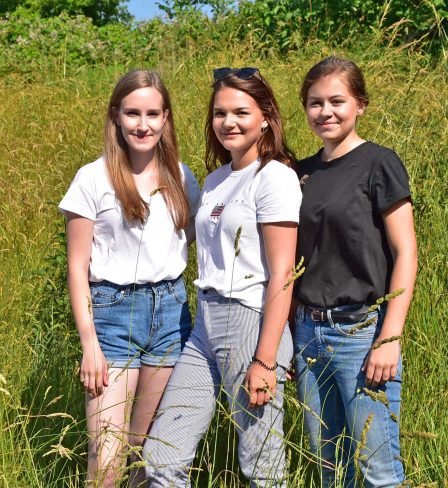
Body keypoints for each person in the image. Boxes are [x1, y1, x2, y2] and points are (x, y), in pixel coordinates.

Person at [143, 67, 302, 487]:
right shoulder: (215, 180)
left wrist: (266, 359)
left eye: (240, 112)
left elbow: (283, 274)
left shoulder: (275, 178)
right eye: (219, 113)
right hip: (205, 323)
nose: (228, 122)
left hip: (250, 320)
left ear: (266, 116)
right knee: (161, 455)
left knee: (260, 463)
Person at [58, 70, 200, 487]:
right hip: (112, 316)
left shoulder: (181, 176)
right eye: (133, 113)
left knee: (146, 455)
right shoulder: (92, 178)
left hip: (170, 315)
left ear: (166, 118)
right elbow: (76, 266)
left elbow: (189, 238)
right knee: (106, 460)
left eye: (153, 114)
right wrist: (90, 344)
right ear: (116, 116)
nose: (143, 124)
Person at [293, 56, 418, 488]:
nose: (325, 112)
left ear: (360, 104)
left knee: (378, 469)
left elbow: (405, 252)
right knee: (331, 469)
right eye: (314, 103)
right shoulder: (302, 172)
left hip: (361, 333)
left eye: (336, 101)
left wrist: (389, 338)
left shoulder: (379, 163)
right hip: (308, 334)